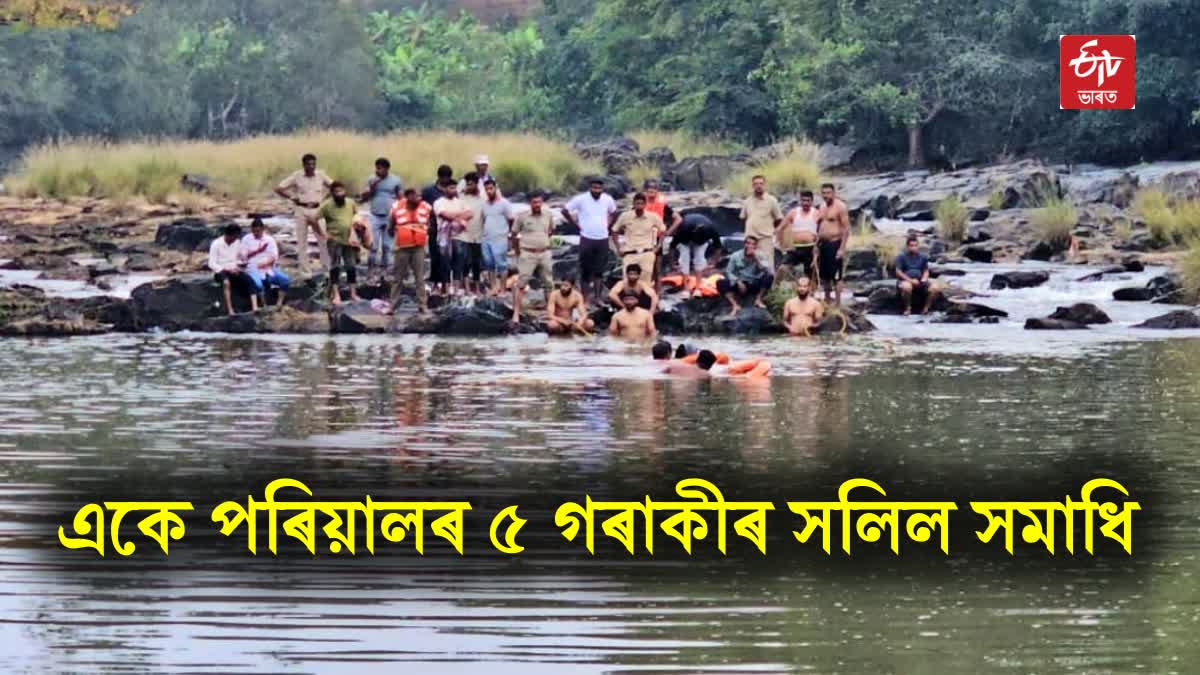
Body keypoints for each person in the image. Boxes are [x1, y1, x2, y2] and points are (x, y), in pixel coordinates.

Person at [274, 153, 332, 275]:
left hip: (317, 209)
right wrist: (292, 197)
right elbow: (279, 188)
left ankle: (326, 269)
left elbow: (334, 186)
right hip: (301, 209)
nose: (311, 167)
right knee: (302, 241)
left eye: (313, 164)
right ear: (304, 165)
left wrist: (325, 199)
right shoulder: (297, 176)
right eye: (309, 164)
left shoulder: (321, 175)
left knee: (323, 239)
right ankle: (305, 271)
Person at [562, 179, 617, 306]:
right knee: (586, 269)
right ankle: (584, 299)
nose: (596, 190)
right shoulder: (581, 199)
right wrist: (575, 224)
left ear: (602, 189)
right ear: (590, 188)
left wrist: (608, 225)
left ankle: (597, 298)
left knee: (599, 270)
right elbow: (565, 210)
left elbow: (614, 212)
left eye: (599, 188)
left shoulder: (607, 199)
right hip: (586, 237)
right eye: (594, 188)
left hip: (602, 238)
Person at [317, 182, 365, 305]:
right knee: (335, 267)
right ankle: (336, 295)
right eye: (337, 192)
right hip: (334, 241)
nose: (340, 194)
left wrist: (358, 229)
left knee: (351, 267)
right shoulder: (327, 205)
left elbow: (357, 215)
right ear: (332, 193)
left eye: (342, 191)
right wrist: (323, 234)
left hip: (349, 241)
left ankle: (353, 294)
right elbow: (313, 219)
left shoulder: (350, 202)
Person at [510, 193, 555, 323]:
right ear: (530, 203)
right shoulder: (522, 216)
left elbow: (551, 231)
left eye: (539, 202)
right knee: (521, 283)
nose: (537, 205)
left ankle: (550, 312)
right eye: (534, 202)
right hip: (527, 253)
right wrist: (518, 251)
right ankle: (516, 313)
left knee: (549, 283)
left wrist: (544, 243)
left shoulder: (548, 215)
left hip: (545, 253)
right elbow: (513, 234)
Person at [389, 188, 432, 314]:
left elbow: (431, 224)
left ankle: (422, 305)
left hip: (418, 247)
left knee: (420, 277)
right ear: (408, 196)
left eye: (420, 196)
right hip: (402, 247)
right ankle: (393, 305)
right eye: (416, 196)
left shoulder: (425, 208)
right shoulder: (397, 207)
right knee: (398, 277)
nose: (419, 199)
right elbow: (391, 225)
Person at [361, 157, 402, 283]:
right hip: (374, 215)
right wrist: (373, 185)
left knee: (386, 246)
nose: (378, 171)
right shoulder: (371, 179)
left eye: (381, 168)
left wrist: (400, 215)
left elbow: (400, 197)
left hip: (390, 216)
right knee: (372, 246)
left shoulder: (396, 180)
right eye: (377, 168)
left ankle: (384, 272)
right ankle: (370, 272)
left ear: (387, 169)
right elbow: (365, 197)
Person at [666, 212, 724, 297]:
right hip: (685, 238)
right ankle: (685, 289)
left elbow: (718, 246)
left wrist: (714, 262)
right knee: (684, 259)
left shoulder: (711, 230)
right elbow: (672, 247)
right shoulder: (682, 230)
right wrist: (672, 263)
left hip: (702, 239)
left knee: (699, 259)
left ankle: (697, 288)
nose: (693, 246)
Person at [611, 193, 665, 280]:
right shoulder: (625, 216)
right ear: (633, 204)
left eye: (641, 203)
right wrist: (618, 248)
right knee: (627, 282)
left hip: (646, 253)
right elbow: (614, 230)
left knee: (645, 283)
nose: (639, 206)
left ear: (645, 204)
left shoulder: (652, 216)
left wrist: (658, 246)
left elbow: (663, 230)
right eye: (637, 203)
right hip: (629, 254)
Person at [434, 181, 474, 297]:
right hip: (443, 236)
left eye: (455, 188)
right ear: (445, 189)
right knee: (444, 262)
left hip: (459, 236)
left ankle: (456, 290)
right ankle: (445, 289)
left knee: (458, 262)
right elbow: (444, 215)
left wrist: (454, 216)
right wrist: (460, 216)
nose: (454, 190)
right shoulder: (439, 202)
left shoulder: (460, 202)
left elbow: (470, 213)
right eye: (451, 188)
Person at [240, 218, 290, 308]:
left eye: (258, 231)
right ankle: (264, 305)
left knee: (285, 280)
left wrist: (266, 263)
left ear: (263, 229)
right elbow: (243, 256)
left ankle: (279, 304)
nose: (256, 233)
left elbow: (274, 256)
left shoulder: (269, 240)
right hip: (253, 268)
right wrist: (258, 250)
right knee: (258, 285)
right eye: (254, 231)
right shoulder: (246, 239)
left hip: (268, 269)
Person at [717, 236, 774, 316]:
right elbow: (729, 271)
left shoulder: (761, 255)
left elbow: (765, 269)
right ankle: (735, 305)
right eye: (748, 243)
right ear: (744, 244)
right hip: (740, 282)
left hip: (754, 282)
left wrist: (755, 257)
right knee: (720, 282)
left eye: (753, 244)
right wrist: (738, 281)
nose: (750, 246)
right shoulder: (736, 255)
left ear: (756, 246)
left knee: (769, 276)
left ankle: (758, 299)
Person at [816, 182, 851, 306]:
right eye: (823, 193)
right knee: (824, 275)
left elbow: (846, 229)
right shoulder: (821, 206)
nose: (826, 195)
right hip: (823, 245)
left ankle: (838, 303)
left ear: (834, 193)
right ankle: (827, 298)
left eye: (828, 193)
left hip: (835, 244)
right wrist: (816, 245)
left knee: (836, 276)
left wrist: (841, 249)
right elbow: (819, 225)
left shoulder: (840, 207)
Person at [739, 175, 783, 271]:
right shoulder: (747, 201)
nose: (758, 186)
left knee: (767, 264)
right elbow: (743, 218)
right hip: (750, 239)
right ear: (752, 186)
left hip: (765, 238)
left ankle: (769, 285)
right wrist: (746, 234)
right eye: (756, 184)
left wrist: (773, 231)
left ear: (765, 185)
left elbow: (779, 219)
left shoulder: (772, 200)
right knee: (750, 264)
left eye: (761, 183)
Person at [422, 165, 454, 296]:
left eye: (448, 178)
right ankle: (435, 283)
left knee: (447, 257)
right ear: (439, 177)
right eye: (444, 178)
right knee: (435, 255)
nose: (446, 180)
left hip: (449, 229)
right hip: (434, 227)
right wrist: (425, 224)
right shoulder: (429, 191)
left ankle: (446, 285)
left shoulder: (452, 189)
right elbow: (423, 208)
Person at [480, 178, 514, 296]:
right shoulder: (484, 204)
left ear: (495, 188)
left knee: (501, 264)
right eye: (486, 189)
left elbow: (511, 220)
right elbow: (483, 220)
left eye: (491, 188)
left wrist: (509, 235)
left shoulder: (504, 203)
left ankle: (503, 290)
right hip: (486, 238)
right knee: (489, 263)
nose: (489, 191)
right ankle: (493, 287)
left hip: (500, 238)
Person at [209, 223, 251, 315]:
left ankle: (252, 306)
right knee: (226, 283)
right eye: (235, 237)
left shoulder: (237, 242)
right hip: (220, 270)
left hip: (233, 268)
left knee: (248, 280)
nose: (236, 239)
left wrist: (239, 265)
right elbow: (212, 264)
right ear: (229, 235)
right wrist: (226, 269)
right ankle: (230, 309)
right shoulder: (216, 244)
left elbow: (237, 259)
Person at [455, 172, 486, 295]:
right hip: (464, 234)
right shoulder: (461, 197)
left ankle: (477, 288)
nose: (469, 186)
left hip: (478, 234)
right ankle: (467, 289)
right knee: (465, 262)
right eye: (467, 184)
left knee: (476, 262)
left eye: (471, 184)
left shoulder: (482, 199)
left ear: (476, 184)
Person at [779, 190, 819, 282]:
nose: (805, 203)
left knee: (810, 274)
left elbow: (821, 232)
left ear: (812, 201)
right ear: (800, 201)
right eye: (803, 200)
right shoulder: (793, 212)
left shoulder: (817, 213)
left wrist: (817, 250)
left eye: (808, 200)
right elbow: (780, 228)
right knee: (783, 268)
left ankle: (811, 293)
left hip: (810, 248)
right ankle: (777, 289)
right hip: (795, 248)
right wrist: (782, 246)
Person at [895, 235, 940, 315]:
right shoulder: (901, 257)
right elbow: (898, 272)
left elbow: (926, 270)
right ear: (907, 246)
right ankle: (908, 308)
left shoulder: (923, 257)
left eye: (915, 245)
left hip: (920, 280)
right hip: (906, 280)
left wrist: (924, 278)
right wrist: (910, 280)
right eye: (911, 246)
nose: (914, 247)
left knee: (935, 288)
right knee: (907, 287)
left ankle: (926, 308)